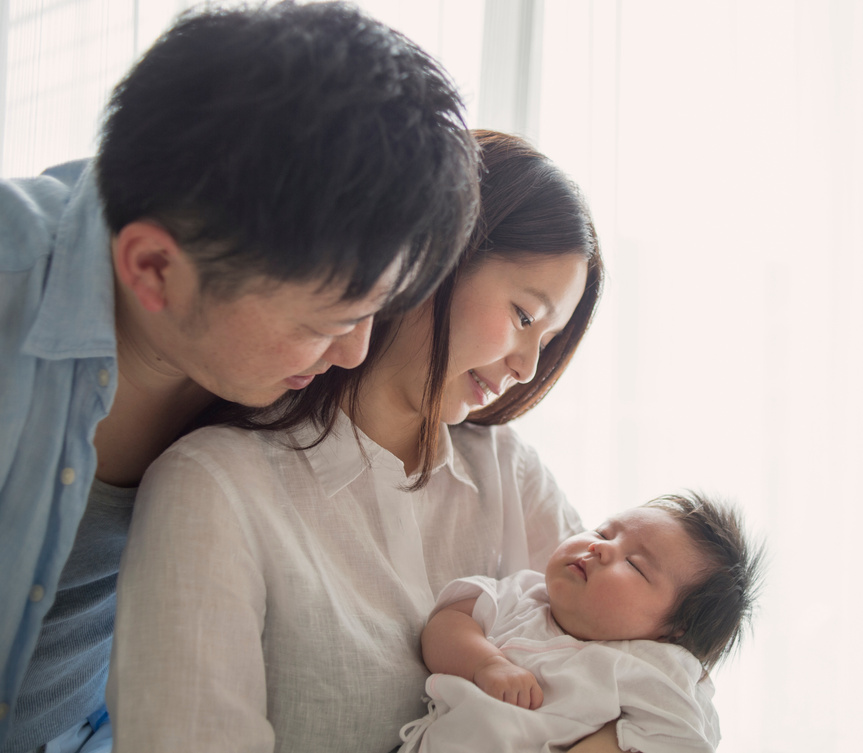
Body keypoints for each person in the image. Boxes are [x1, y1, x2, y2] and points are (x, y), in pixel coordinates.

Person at [0, 3, 479, 752]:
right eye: (325, 321)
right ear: (153, 268)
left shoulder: (277, 363)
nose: (353, 353)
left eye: (374, 314)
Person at [108, 131, 616, 753]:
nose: (529, 367)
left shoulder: (511, 474)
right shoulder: (215, 485)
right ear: (437, 258)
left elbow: (638, 671)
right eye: (525, 317)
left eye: (549, 342)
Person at [398, 493, 761, 753]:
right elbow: (446, 623)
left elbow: (686, 739)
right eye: (603, 533)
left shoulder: (656, 667)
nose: (600, 548)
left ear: (672, 631)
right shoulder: (523, 595)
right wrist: (484, 663)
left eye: (634, 564)